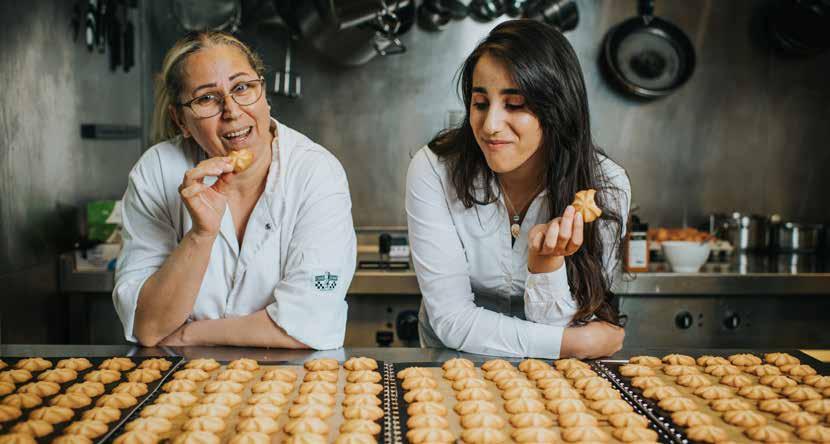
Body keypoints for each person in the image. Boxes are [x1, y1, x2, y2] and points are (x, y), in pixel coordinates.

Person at [113, 31, 355, 349]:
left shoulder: (316, 173)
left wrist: (189, 334)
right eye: (206, 98)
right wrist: (200, 236)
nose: (232, 110)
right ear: (180, 120)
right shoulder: (156, 172)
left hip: (291, 383)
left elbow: (310, 323)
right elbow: (148, 325)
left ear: (263, 92)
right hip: (182, 385)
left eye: (242, 88)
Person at [406, 20, 630, 358]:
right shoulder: (435, 170)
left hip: (555, 377)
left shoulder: (606, 188)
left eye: (514, 105)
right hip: (451, 365)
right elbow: (451, 319)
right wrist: (572, 343)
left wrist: (546, 267)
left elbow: (565, 321)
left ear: (557, 108)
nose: (491, 126)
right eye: (481, 103)